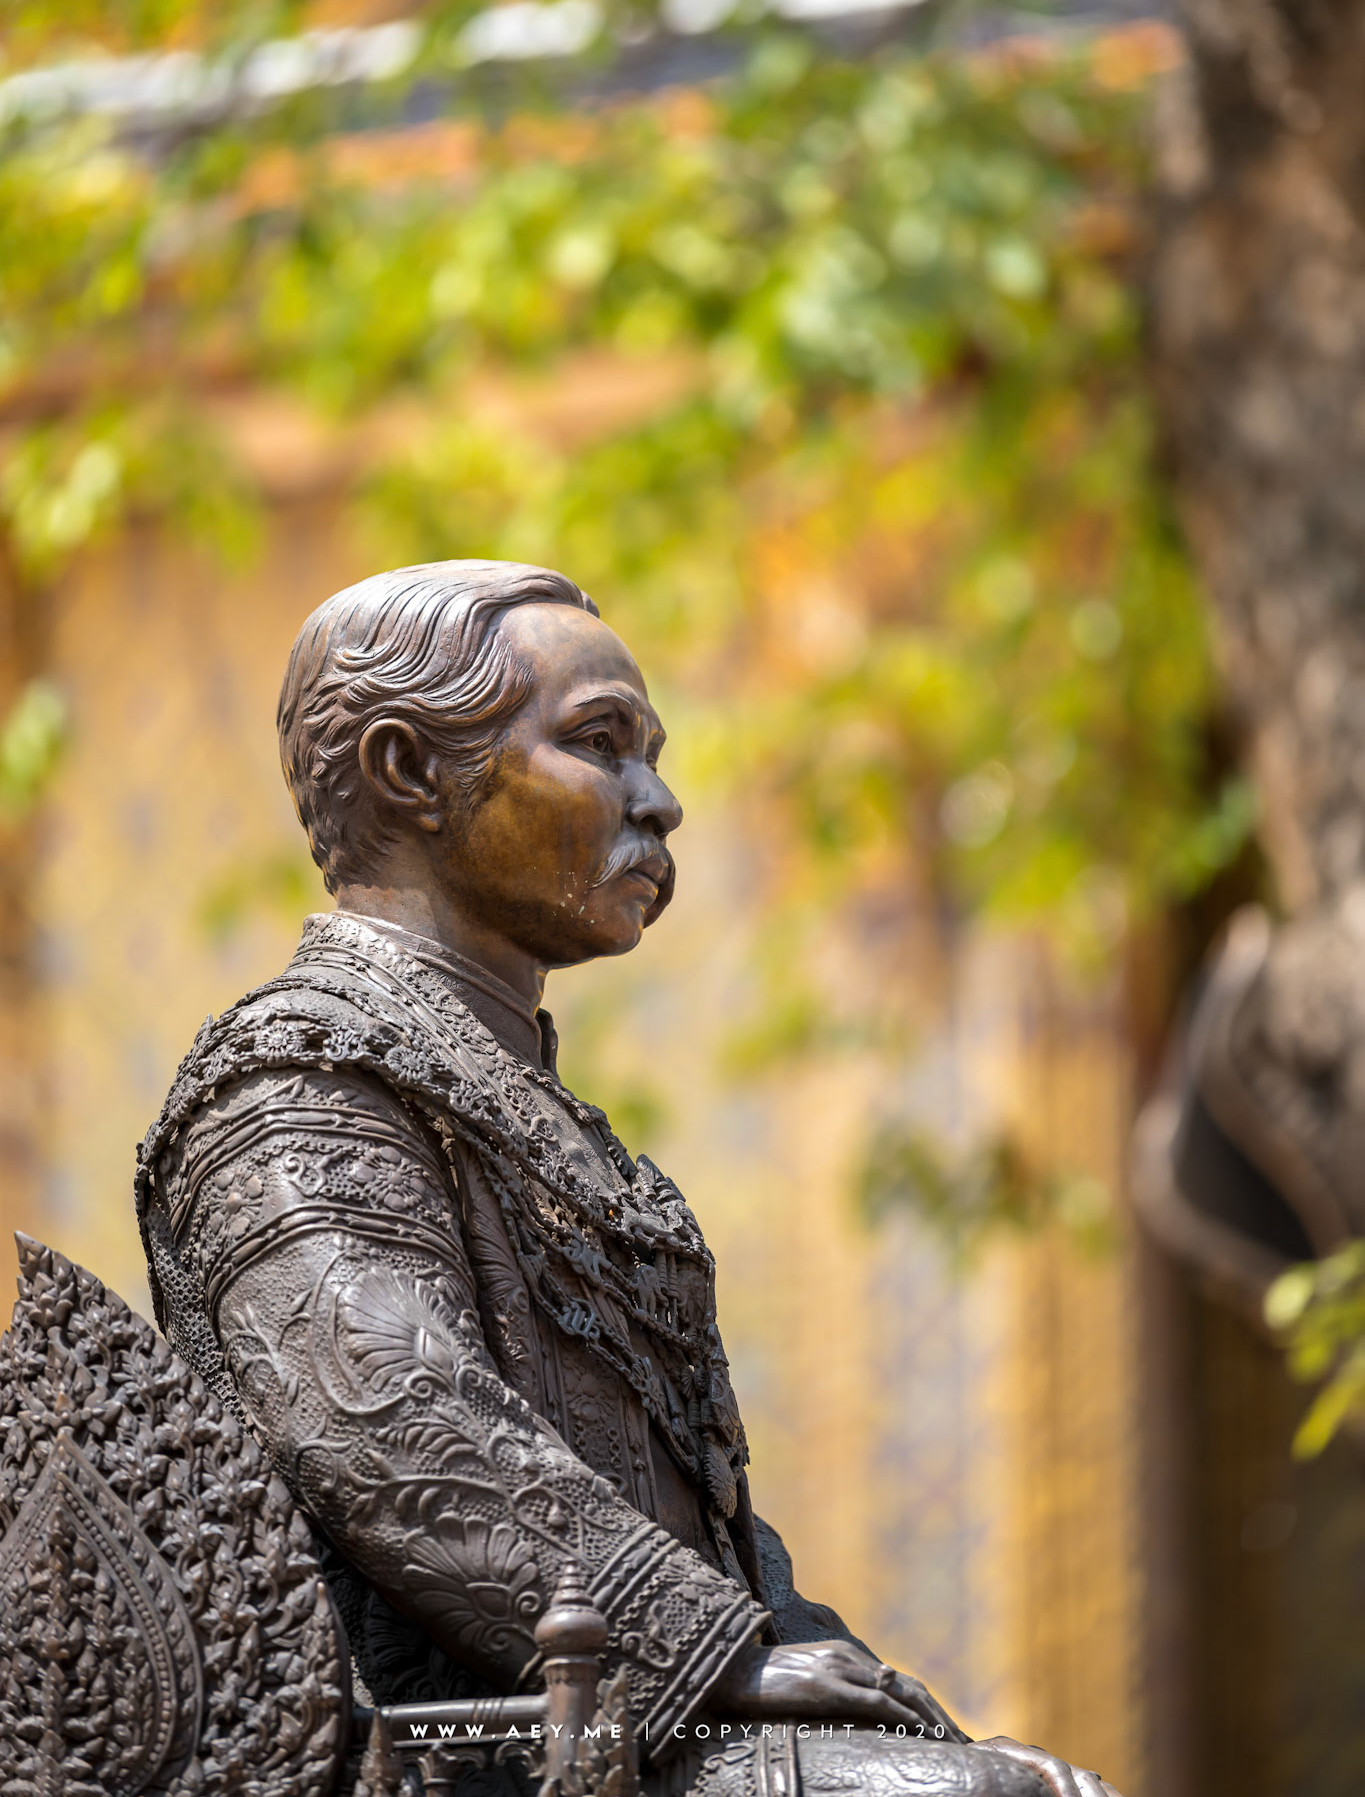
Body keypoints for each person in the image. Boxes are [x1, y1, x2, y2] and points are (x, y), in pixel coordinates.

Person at [137, 561, 1120, 1797]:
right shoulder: (289, 1078)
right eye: (601, 743)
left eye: (650, 750)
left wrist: (818, 1653)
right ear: (406, 771)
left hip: (629, 1714)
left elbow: (690, 1515)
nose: (660, 800)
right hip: (456, 1752)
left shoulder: (551, 1121)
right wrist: (711, 1654)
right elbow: (381, 1412)